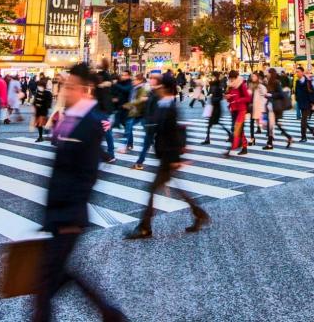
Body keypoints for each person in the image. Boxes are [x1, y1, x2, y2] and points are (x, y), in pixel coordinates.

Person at [32, 64, 125, 322]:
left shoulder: (90, 124)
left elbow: (87, 175)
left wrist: (69, 215)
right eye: (65, 87)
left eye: (71, 87)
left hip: (69, 215)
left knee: (45, 283)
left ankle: (109, 314)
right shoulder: (72, 119)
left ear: (86, 90)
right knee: (58, 276)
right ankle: (109, 314)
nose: (66, 92)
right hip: (59, 213)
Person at [125, 74, 210, 239]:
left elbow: (174, 134)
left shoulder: (169, 106)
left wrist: (175, 159)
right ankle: (199, 214)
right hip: (166, 154)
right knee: (176, 188)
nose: (156, 88)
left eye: (159, 86)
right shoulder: (163, 104)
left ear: (164, 88)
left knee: (154, 189)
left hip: (168, 156)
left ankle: (145, 226)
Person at [264, 69, 294, 150]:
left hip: (276, 107)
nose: (266, 74)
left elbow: (281, 94)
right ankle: (288, 137)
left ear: (271, 74)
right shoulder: (269, 82)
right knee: (272, 125)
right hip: (271, 106)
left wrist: (271, 95)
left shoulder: (276, 82)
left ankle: (271, 143)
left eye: (268, 73)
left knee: (272, 125)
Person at [295, 66, 314, 140]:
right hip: (301, 103)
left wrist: (313, 102)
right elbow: (296, 92)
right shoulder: (297, 82)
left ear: (302, 72)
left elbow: (312, 92)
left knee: (303, 120)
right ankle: (312, 129)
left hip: (308, 103)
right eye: (296, 72)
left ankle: (303, 137)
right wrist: (297, 99)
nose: (297, 73)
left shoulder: (308, 81)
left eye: (298, 72)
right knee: (304, 119)